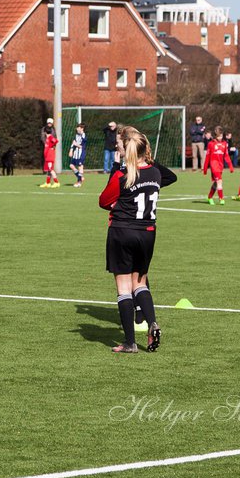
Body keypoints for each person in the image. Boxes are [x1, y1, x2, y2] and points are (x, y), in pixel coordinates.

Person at [98, 126, 178, 353]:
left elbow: (104, 201)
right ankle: (151, 321)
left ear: (127, 150)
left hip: (122, 232)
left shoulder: (122, 175)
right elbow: (164, 175)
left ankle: (130, 343)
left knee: (124, 288)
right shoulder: (154, 173)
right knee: (140, 283)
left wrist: (116, 168)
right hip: (147, 233)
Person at [202, 126, 233, 204]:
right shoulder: (211, 144)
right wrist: (205, 168)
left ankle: (209, 197)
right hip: (214, 166)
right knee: (219, 182)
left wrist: (230, 166)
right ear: (215, 136)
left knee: (216, 183)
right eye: (218, 136)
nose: (220, 137)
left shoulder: (225, 144)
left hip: (220, 166)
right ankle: (221, 199)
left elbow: (226, 155)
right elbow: (208, 157)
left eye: (221, 136)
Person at [39, 119, 60, 188]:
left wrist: (52, 146)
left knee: (50, 169)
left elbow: (56, 140)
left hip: (50, 154)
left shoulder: (50, 137)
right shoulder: (46, 135)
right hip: (47, 154)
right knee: (48, 169)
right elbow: (43, 138)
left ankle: (56, 182)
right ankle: (47, 183)